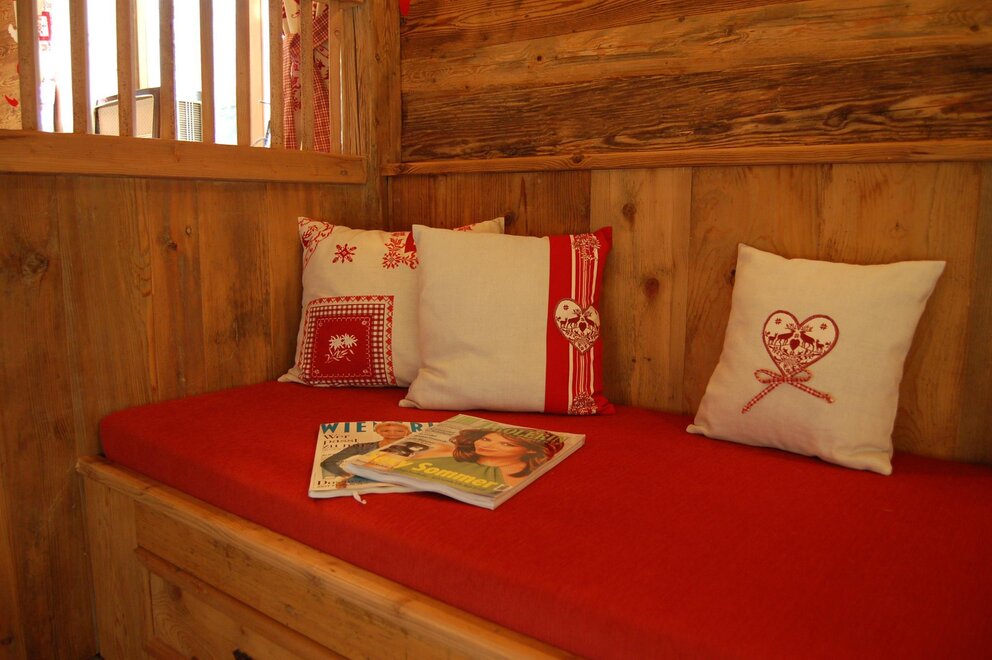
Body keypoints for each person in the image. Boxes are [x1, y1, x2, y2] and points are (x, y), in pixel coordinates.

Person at [415, 428, 563, 488]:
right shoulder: (443, 454)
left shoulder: (519, 477)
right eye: (486, 439)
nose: (487, 446)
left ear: (530, 450)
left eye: (506, 444)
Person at [320, 422, 412, 485]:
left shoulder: (415, 448)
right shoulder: (361, 447)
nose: (392, 433)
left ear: (407, 432)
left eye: (399, 431)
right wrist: (345, 475)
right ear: (378, 432)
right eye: (386, 430)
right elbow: (328, 462)